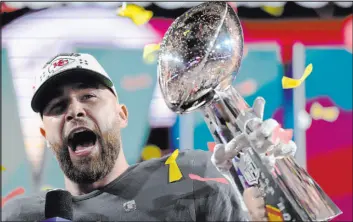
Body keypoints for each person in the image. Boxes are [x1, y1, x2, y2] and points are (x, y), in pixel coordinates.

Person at [2, 53, 297, 221]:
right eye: (57, 106)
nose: (74, 110)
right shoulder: (24, 215)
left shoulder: (192, 179)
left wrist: (266, 181)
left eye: (89, 96)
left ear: (122, 114)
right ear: (45, 134)